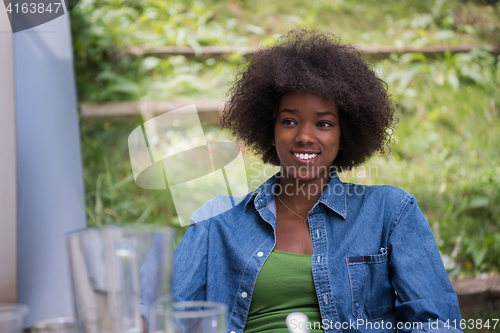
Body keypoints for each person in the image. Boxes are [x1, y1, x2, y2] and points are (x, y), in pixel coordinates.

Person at [172, 29, 462, 333]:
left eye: (323, 123)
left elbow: (438, 323)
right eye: (289, 121)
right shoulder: (217, 221)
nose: (305, 136)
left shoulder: (390, 212)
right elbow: (157, 316)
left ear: (344, 134)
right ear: (271, 131)